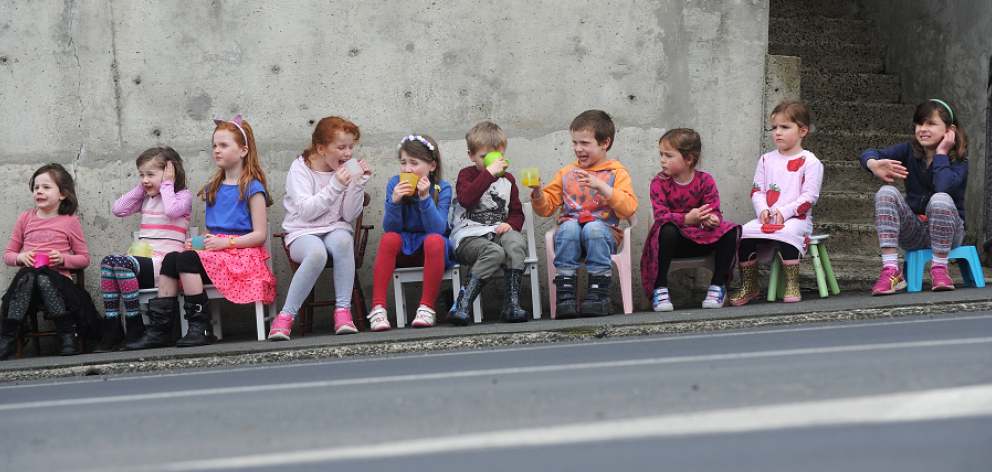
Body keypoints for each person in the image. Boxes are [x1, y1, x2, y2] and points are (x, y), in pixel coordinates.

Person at [124, 115, 277, 350]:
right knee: (173, 258)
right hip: (217, 257)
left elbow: (260, 236)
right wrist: (198, 243)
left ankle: (200, 327)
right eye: (215, 145)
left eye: (224, 145)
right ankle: (160, 330)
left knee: (184, 259)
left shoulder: (252, 187)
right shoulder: (214, 188)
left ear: (244, 150)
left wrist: (225, 243)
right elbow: (211, 232)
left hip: (242, 258)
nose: (217, 150)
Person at [269, 117, 372, 340]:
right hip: (302, 232)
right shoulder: (300, 169)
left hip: (335, 229)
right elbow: (306, 211)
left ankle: (343, 311)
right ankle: (285, 317)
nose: (348, 153)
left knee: (344, 241)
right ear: (321, 148)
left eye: (351, 146)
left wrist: (357, 184)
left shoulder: (343, 170)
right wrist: (336, 185)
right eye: (341, 147)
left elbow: (348, 215)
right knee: (317, 253)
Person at [529, 110, 638, 317]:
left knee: (593, 227)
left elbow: (629, 208)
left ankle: (599, 295)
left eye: (585, 143)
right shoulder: (566, 173)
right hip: (570, 237)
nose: (578, 149)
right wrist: (537, 192)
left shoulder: (616, 173)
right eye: (575, 143)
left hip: (603, 234)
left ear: (604, 143)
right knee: (568, 226)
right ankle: (566, 296)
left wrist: (602, 186)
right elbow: (546, 209)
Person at [861, 99, 969, 294]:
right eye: (920, 123)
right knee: (886, 192)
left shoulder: (959, 160)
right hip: (915, 231)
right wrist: (872, 164)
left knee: (940, 199)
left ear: (949, 130)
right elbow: (870, 152)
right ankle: (891, 270)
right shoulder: (908, 151)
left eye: (931, 123)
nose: (923, 129)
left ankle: (940, 269)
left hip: (950, 233)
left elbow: (944, 187)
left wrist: (942, 153)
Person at [93, 148, 192, 352]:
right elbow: (118, 209)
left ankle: (134, 324)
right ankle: (113, 326)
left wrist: (167, 185)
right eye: (141, 174)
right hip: (141, 264)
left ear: (169, 173)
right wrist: (142, 187)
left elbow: (172, 210)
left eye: (150, 174)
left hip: (164, 267)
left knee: (119, 262)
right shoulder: (147, 198)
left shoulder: (183, 196)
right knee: (108, 261)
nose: (145, 180)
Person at [0, 163, 98, 359]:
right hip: (29, 289)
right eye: (36, 187)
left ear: (62, 194)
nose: (39, 191)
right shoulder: (25, 218)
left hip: (60, 287)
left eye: (46, 187)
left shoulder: (69, 221)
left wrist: (63, 259)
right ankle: (8, 337)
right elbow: (8, 255)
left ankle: (67, 334)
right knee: (30, 275)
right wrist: (20, 257)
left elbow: (84, 259)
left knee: (44, 278)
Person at [730, 100, 823, 306]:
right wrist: (762, 209)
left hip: (796, 219)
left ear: (803, 131)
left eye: (785, 127)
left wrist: (785, 211)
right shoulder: (766, 160)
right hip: (767, 217)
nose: (777, 132)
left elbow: (809, 197)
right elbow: (757, 190)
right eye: (774, 128)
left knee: (788, 232)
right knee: (743, 232)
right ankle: (749, 285)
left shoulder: (810, 162)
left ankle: (791, 283)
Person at [640, 129, 740, 311]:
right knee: (667, 228)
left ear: (688, 159)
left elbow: (715, 211)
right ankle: (660, 288)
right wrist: (686, 218)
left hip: (700, 239)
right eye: (661, 154)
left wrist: (711, 219)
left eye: (668, 155)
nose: (662, 159)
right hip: (673, 243)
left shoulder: (705, 181)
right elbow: (661, 216)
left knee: (730, 230)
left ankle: (717, 286)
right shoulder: (659, 182)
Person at [447, 121, 529, 325]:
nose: (492, 162)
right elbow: (466, 199)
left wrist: (511, 224)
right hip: (470, 237)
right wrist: (488, 174)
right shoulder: (467, 175)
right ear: (472, 155)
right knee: (494, 252)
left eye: (497, 157)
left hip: (498, 233)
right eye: (484, 157)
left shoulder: (508, 179)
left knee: (516, 242)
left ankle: (512, 304)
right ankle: (462, 303)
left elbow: (517, 212)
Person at [367, 134, 453, 330]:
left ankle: (427, 309)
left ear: (431, 166)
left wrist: (425, 199)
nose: (407, 169)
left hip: (433, 251)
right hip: (404, 249)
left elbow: (438, 230)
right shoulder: (394, 184)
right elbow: (391, 229)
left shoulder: (443, 188)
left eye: (414, 163)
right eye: (403, 162)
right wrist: (394, 202)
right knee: (388, 239)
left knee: (435, 240)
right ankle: (378, 309)